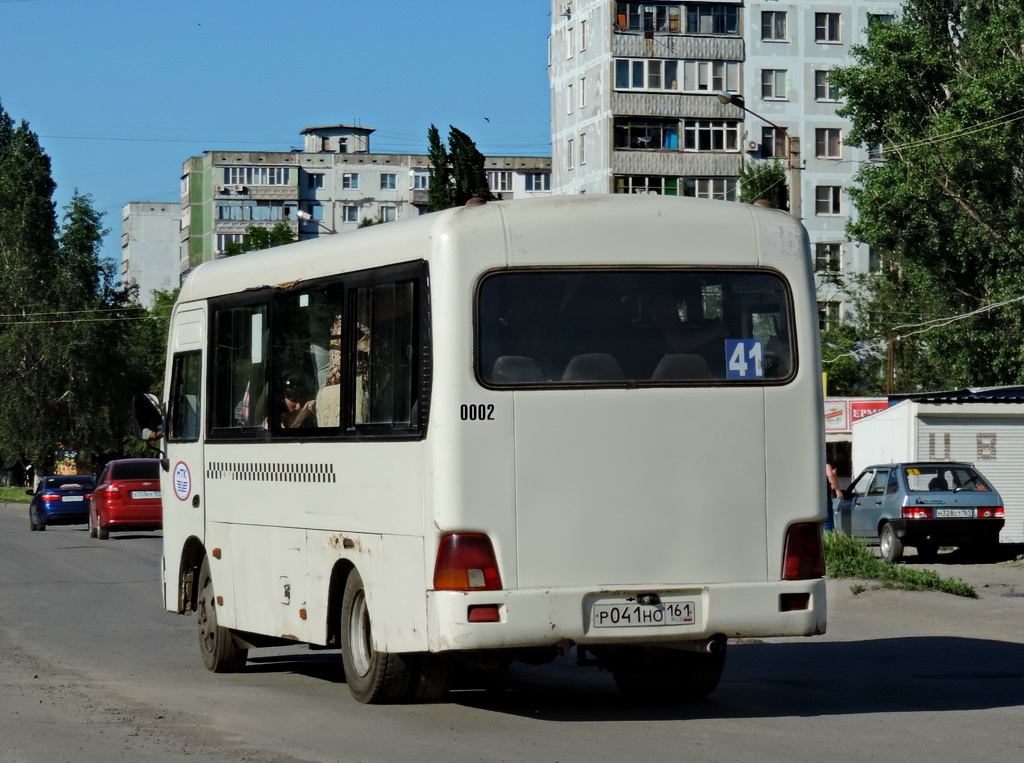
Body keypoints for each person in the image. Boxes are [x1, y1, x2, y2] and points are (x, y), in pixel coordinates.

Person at [825, 457, 844, 532]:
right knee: (828, 522)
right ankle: (827, 542)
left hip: (812, 494)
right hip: (824, 494)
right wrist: (838, 490)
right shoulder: (825, 455)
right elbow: (830, 474)